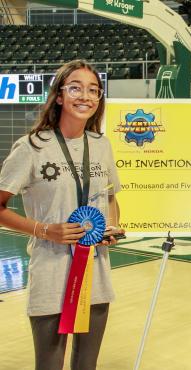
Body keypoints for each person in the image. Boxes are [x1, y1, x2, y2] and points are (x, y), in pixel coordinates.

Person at [0, 60, 123, 370]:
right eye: (76, 88)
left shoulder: (101, 144)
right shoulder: (31, 147)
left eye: (93, 90)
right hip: (52, 272)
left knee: (87, 365)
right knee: (50, 365)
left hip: (96, 273)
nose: (86, 96)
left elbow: (110, 197)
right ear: (58, 96)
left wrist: (112, 225)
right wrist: (44, 230)